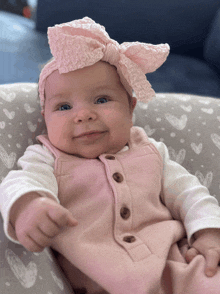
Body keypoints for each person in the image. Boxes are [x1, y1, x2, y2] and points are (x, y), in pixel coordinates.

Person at [1, 17, 220, 294]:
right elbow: (19, 181)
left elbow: (190, 194)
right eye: (64, 106)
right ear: (45, 117)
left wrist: (209, 232)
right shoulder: (47, 157)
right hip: (100, 278)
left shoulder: (150, 151)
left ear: (131, 108)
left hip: (177, 265)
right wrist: (28, 205)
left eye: (102, 100)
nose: (84, 115)